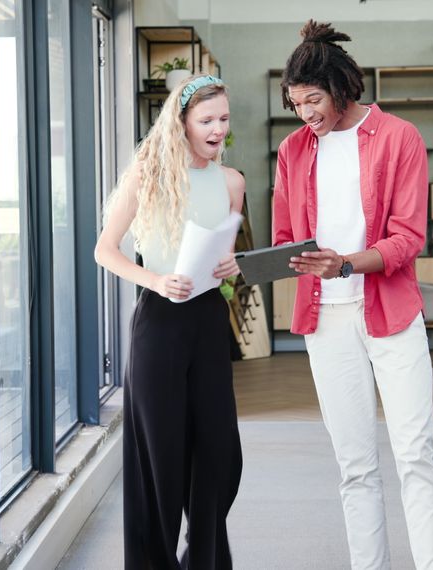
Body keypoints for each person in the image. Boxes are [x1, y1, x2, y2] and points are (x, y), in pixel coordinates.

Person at [272, 21, 433, 570]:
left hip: (390, 314)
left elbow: (407, 238)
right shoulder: (293, 149)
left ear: (341, 89)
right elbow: (284, 237)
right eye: (296, 103)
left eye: (313, 100)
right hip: (326, 320)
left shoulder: (399, 137)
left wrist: (346, 263)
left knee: (415, 456)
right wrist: (294, 258)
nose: (306, 114)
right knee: (354, 466)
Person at [94, 74, 245, 569]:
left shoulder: (232, 182)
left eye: (223, 119)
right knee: (160, 460)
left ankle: (203, 560)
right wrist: (155, 280)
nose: (218, 128)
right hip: (159, 322)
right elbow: (104, 251)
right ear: (181, 123)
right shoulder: (148, 175)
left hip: (207, 321)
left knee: (218, 456)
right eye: (207, 120)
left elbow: (223, 256)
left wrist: (232, 265)